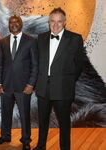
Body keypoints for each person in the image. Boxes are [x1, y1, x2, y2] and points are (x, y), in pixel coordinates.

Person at [33, 8, 86, 150]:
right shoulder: (41, 38)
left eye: (59, 21)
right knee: (42, 121)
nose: (55, 25)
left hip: (63, 89)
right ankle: (41, 145)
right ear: (49, 22)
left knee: (64, 123)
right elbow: (37, 62)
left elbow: (79, 65)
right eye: (52, 21)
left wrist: (66, 80)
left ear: (65, 22)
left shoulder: (75, 39)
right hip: (43, 87)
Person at [0, 15, 38, 150]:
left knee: (24, 115)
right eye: (11, 22)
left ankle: (25, 140)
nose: (13, 24)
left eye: (16, 21)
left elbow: (35, 65)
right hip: (6, 86)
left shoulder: (31, 41)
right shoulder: (2, 42)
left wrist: (31, 84)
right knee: (5, 113)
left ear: (21, 24)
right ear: (8, 25)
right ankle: (5, 136)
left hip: (23, 87)